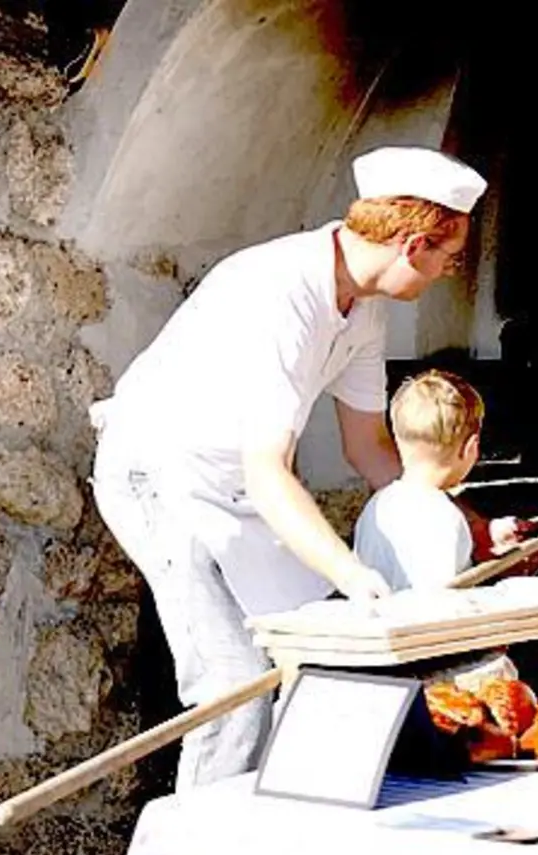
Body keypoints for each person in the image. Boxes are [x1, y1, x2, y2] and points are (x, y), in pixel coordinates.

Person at [89, 146, 488, 788]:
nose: (447, 272)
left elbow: (369, 450)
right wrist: (351, 572)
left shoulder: (364, 308)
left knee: (330, 651)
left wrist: (473, 525)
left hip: (245, 486)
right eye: (447, 257)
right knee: (236, 692)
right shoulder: (280, 292)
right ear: (414, 244)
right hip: (159, 478)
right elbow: (268, 469)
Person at [353, 369, 535, 591]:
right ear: (471, 448)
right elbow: (441, 607)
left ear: (397, 439)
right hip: (420, 624)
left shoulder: (376, 507)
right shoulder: (445, 519)